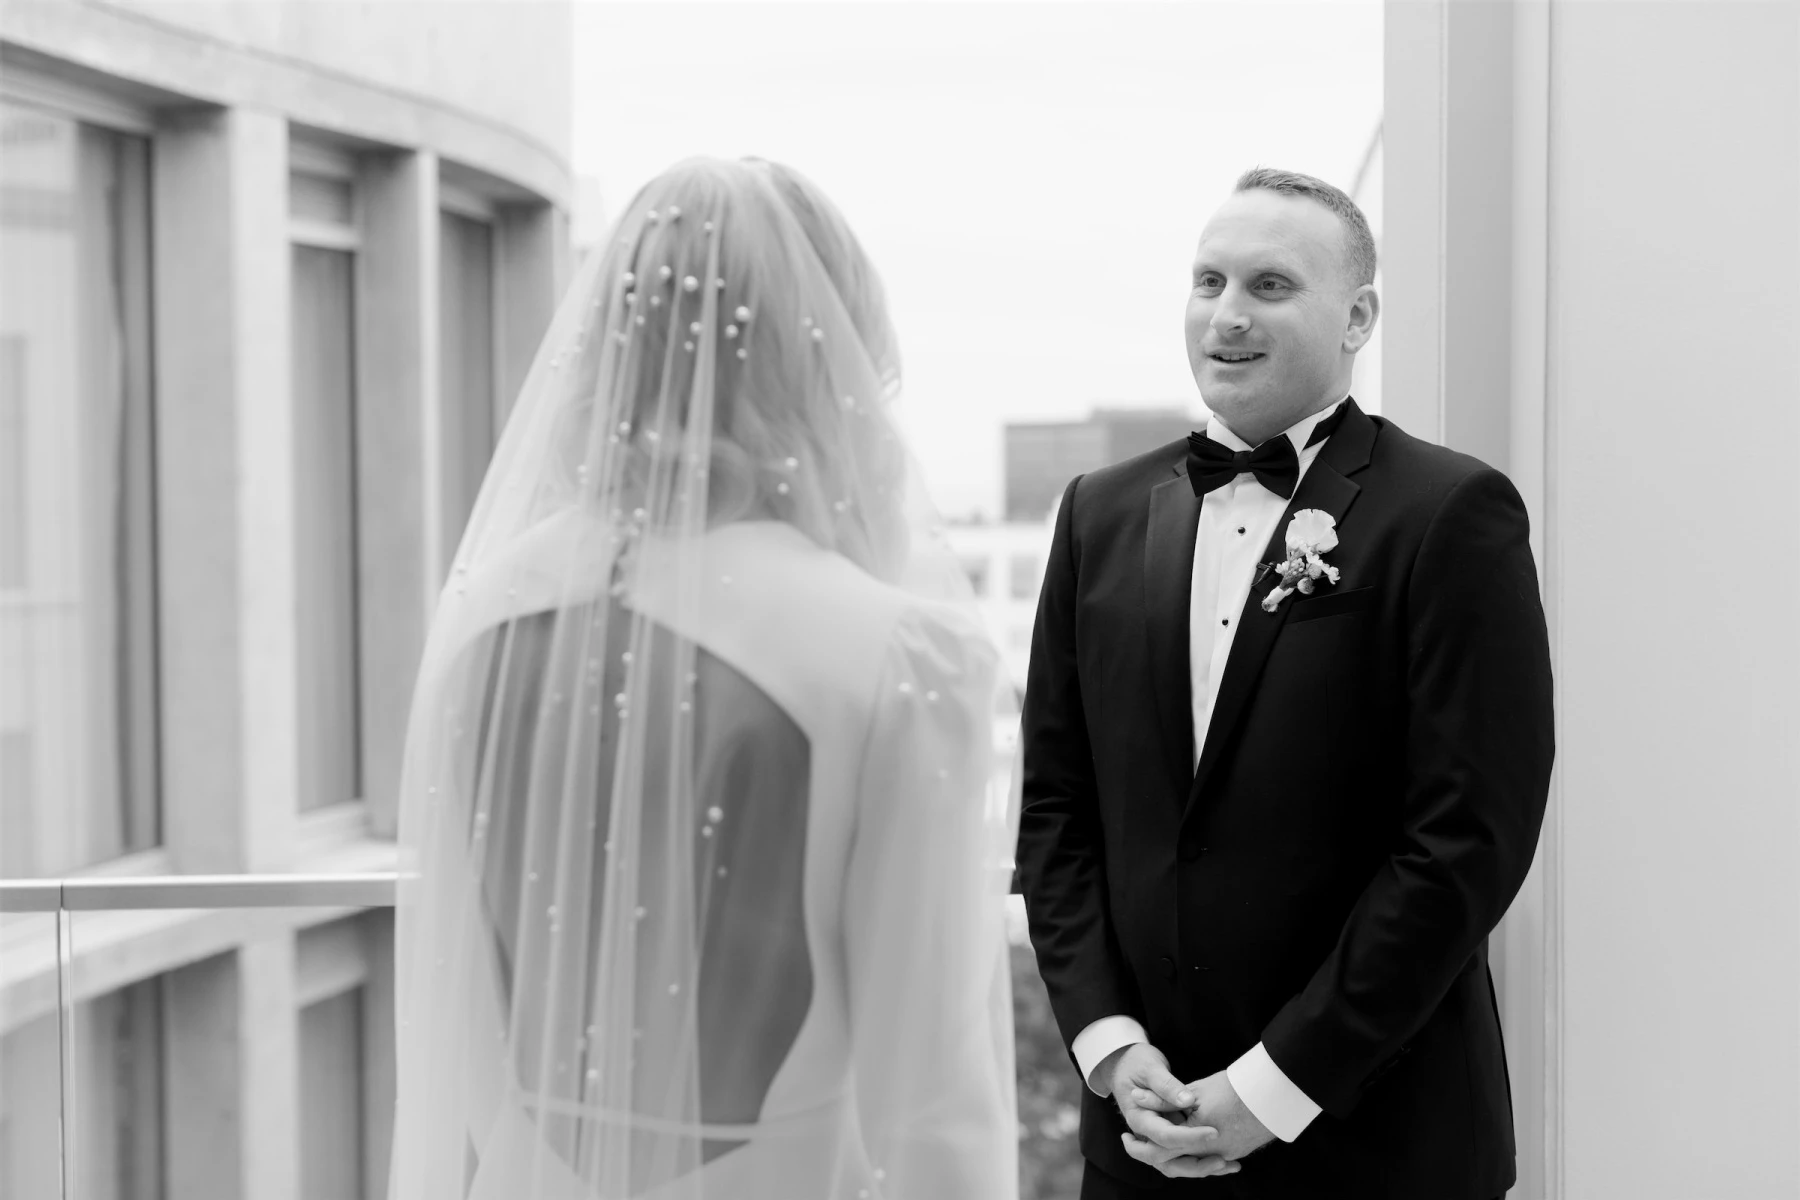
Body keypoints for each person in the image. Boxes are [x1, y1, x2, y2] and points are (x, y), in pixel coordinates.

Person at [389, 158, 1019, 1200]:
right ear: (835, 366)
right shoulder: (897, 656)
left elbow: (461, 1044)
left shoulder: (480, 616)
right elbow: (936, 1106)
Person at [1016, 167, 1555, 1198]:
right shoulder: (1095, 514)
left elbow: (1464, 844)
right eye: (1208, 280)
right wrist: (1110, 1046)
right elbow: (1055, 810)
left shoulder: (1452, 513)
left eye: (1269, 285)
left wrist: (1272, 1088)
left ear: (1358, 318)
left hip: (1378, 1147)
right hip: (1138, 1146)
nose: (1226, 314)